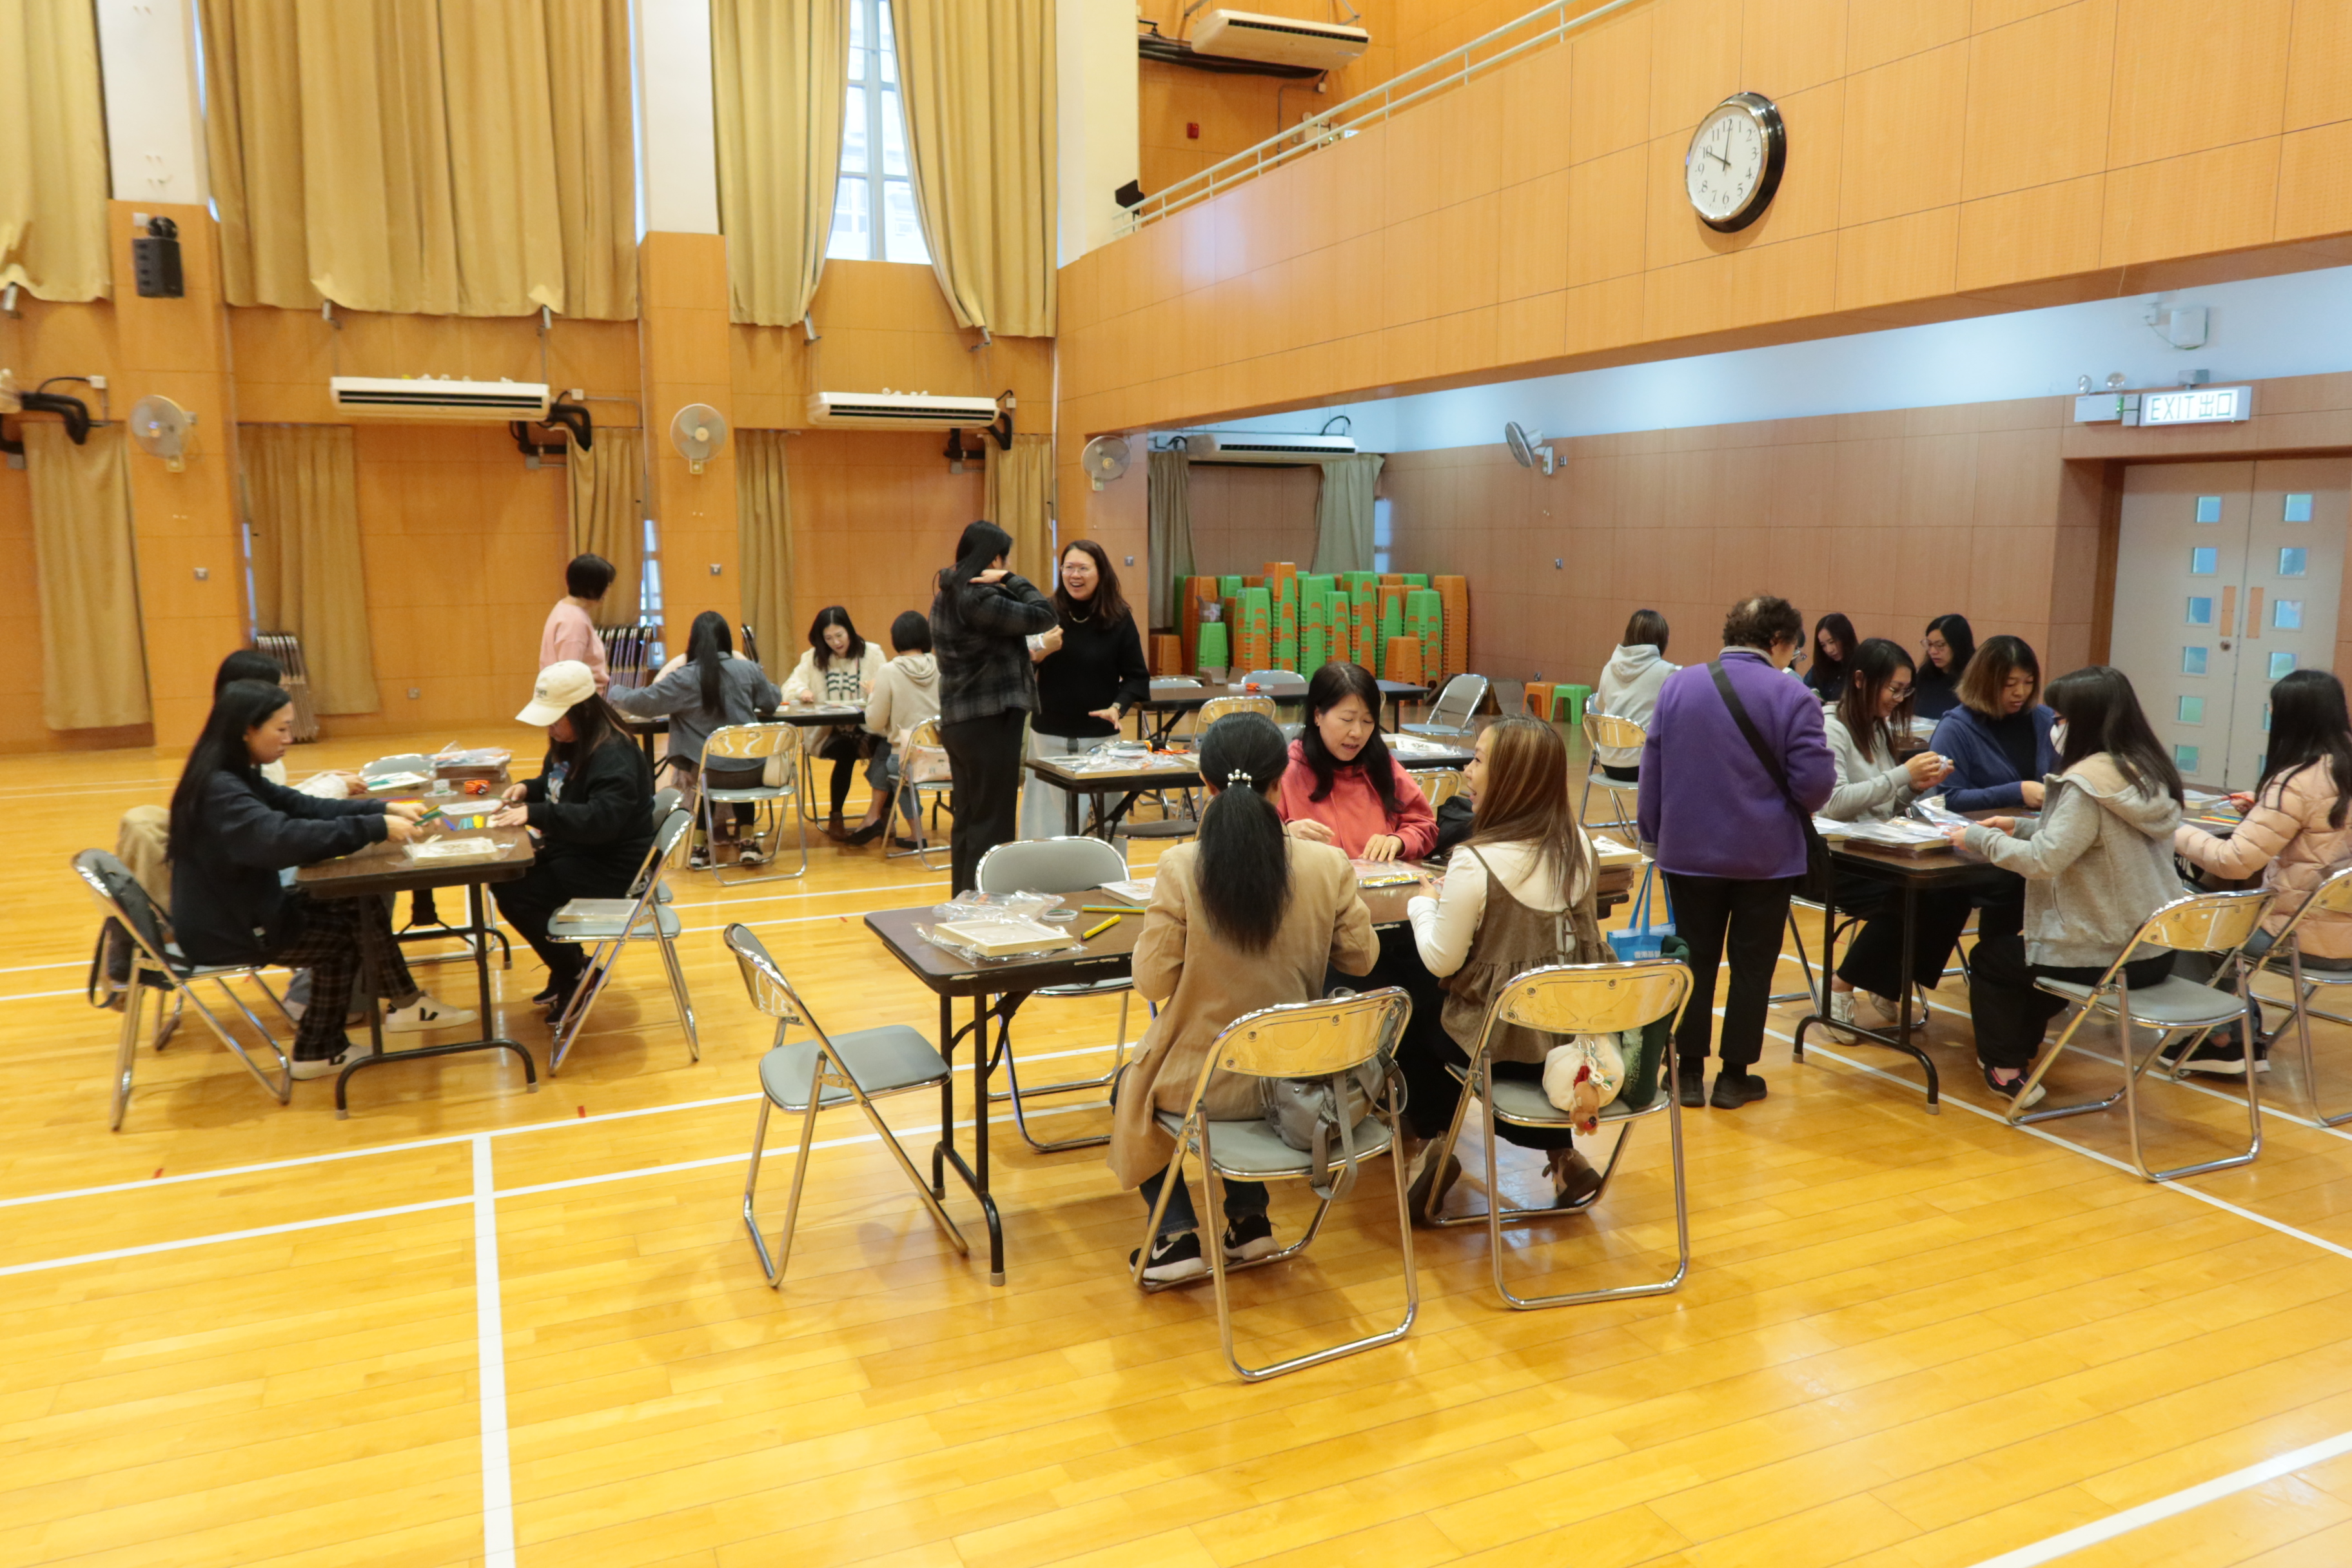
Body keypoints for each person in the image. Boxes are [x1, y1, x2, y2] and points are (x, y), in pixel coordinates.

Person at [1108, 712, 1378, 1282]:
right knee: (1250, 1051)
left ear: (1205, 784)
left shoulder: (1181, 866)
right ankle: (1250, 1223)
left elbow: (1151, 982)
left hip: (1203, 1087)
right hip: (1297, 1083)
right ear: (1282, 782)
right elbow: (1362, 960)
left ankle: (1175, 1236)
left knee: (1126, 1087)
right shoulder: (1326, 864)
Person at [167, 680, 473, 1079]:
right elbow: (279, 840)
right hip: (230, 929)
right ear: (247, 729)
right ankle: (319, 1048)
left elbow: (301, 806)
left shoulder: (231, 773)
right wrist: (374, 827)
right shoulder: (222, 789)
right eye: (281, 729)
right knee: (345, 940)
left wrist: (382, 811)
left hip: (241, 910)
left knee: (358, 902)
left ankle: (405, 1005)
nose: (289, 738)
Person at [1946, 666, 2184, 1106]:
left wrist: (1979, 838)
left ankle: (2005, 1068)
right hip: (2156, 947)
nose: (2053, 727)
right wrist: (2019, 826)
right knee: (2026, 957)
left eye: (2059, 718)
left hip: (2106, 955)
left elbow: (2043, 860)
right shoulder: (2145, 770)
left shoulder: (2086, 783)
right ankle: (2018, 1049)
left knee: (1993, 958)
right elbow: (2086, 836)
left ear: (2085, 720)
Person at [1405, 717, 1611, 1219]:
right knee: (1518, 1025)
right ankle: (1564, 1156)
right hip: (1572, 1043)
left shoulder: (1475, 860)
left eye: (1478, 760)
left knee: (1417, 1006)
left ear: (1512, 779)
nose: (1467, 771)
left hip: (1501, 1047)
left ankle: (1436, 1144)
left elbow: (1440, 958)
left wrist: (1422, 904)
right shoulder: (1580, 846)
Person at [1636, 594, 1834, 1110]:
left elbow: (1651, 769)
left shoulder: (1678, 685)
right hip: (1765, 859)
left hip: (1688, 853)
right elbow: (1815, 787)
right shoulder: (1795, 697)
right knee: (1752, 967)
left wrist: (1653, 836)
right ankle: (1734, 1077)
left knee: (1693, 961)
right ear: (1777, 641)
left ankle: (1687, 1073)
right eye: (1794, 648)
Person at [2170, 669, 2352, 1074]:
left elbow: (2233, 861)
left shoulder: (2297, 781)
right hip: (2343, 940)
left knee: (2183, 916)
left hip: (2303, 940)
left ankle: (2221, 1037)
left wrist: (2172, 829)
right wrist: (2266, 813)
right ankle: (2239, 1028)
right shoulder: (2339, 769)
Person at [1818, 638, 1971, 1030]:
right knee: (1911, 893)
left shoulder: (1877, 727)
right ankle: (1841, 983)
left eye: (1905, 691)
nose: (1899, 700)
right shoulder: (1830, 727)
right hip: (1835, 858)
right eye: (1894, 689)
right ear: (1860, 680)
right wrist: (1903, 774)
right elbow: (1834, 803)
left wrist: (1915, 787)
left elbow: (1884, 806)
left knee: (1955, 889)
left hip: (1876, 849)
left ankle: (1887, 979)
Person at [490, 662, 656, 1021]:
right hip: (581, 852)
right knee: (508, 879)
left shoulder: (614, 754)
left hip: (612, 868)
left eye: (555, 719)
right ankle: (572, 967)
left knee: (517, 891)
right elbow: (557, 786)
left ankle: (574, 972)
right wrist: (528, 789)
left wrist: (536, 814)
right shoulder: (571, 742)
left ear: (582, 712)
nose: (549, 727)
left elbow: (600, 821)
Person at [930, 521, 1059, 892]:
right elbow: (1044, 615)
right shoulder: (980, 599)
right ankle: (987, 907)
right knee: (993, 821)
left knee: (969, 817)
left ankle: (964, 903)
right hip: (989, 720)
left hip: (960, 722)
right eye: (1005, 559)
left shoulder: (946, 595)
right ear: (993, 559)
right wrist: (1011, 579)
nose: (1007, 565)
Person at [608, 611, 781, 867]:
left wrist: (615, 690)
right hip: (753, 772)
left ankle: (699, 847)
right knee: (737, 760)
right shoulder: (748, 670)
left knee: (703, 767)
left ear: (694, 641)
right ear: (727, 639)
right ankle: (747, 841)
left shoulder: (684, 676)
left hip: (707, 775)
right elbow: (772, 701)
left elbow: (643, 704)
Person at [1021, 540, 1151, 840]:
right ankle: (1047, 872)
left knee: (1103, 826)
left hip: (1100, 741)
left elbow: (1137, 677)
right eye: (1068, 567)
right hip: (1048, 736)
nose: (1074, 575)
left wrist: (1117, 708)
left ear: (1100, 572)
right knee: (1047, 825)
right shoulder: (1046, 614)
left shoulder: (1118, 617)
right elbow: (1018, 669)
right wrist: (1040, 652)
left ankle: (1104, 871)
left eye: (1083, 568)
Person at [781, 606, 886, 840]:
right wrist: (802, 691)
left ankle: (884, 816)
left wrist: (876, 688)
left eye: (839, 635)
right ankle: (836, 817)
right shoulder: (812, 658)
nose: (835, 643)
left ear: (849, 631)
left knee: (887, 748)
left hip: (867, 728)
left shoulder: (873, 653)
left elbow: (888, 687)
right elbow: (789, 686)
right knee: (846, 751)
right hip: (828, 733)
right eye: (828, 638)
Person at [850, 611, 942, 846]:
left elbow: (874, 722)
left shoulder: (889, 671)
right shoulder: (941, 665)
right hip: (944, 755)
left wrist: (873, 694)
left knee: (894, 761)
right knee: (885, 751)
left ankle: (916, 834)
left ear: (896, 639)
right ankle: (873, 817)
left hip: (910, 758)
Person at [1591, 609, 1676, 781]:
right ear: (1660, 639)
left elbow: (1599, 705)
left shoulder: (1609, 668)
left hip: (1608, 764)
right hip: (1644, 766)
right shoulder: (1667, 672)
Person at [540, 553, 615, 694]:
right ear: (592, 588)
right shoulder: (574, 622)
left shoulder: (566, 609)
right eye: (606, 586)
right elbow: (570, 678)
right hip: (580, 701)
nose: (608, 591)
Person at [1912, 614, 1976, 721]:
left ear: (1958, 645)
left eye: (1940, 645)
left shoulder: (1975, 679)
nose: (1933, 651)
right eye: (1930, 644)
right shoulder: (1925, 674)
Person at [1804, 612, 1857, 701]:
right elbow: (1805, 686)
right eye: (1823, 645)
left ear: (1845, 637)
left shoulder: (1861, 663)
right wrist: (1813, 694)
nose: (1829, 650)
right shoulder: (1822, 665)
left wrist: (1840, 705)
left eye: (1832, 642)